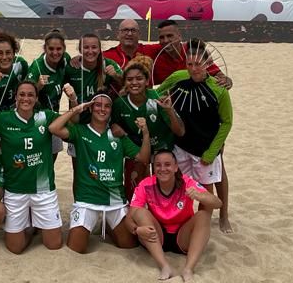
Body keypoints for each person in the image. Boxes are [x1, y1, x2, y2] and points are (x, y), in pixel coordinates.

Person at [0, 84, 62, 254]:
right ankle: (31, 226)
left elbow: (72, 122)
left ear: (36, 98)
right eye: (22, 94)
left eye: (30, 95)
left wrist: (74, 101)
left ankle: (33, 222)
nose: (26, 98)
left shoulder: (45, 116)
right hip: (15, 191)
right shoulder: (3, 119)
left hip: (43, 190)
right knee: (15, 249)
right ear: (15, 97)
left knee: (53, 245)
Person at [49, 95, 150, 253]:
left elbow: (144, 158)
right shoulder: (81, 131)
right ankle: (104, 225)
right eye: (97, 105)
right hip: (87, 200)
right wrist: (78, 108)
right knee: (76, 248)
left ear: (111, 110)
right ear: (90, 107)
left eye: (107, 106)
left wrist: (145, 132)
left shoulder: (117, 135)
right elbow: (54, 128)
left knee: (129, 245)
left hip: (115, 202)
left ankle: (110, 226)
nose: (102, 109)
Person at [155, 38, 233, 234]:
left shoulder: (218, 88)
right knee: (181, 187)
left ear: (207, 64)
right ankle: (183, 221)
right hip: (181, 146)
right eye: (190, 64)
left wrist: (212, 151)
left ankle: (206, 225)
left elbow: (227, 122)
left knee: (205, 191)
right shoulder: (177, 77)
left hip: (205, 150)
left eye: (198, 64)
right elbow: (156, 95)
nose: (193, 68)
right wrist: (168, 115)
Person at [128, 149, 223, 282]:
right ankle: (164, 266)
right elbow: (130, 216)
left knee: (203, 215)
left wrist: (200, 196)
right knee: (140, 212)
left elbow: (218, 203)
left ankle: (188, 268)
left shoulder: (186, 182)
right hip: (156, 235)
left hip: (182, 236)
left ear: (175, 167)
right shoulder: (146, 184)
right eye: (158, 165)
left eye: (167, 164)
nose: (163, 169)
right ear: (153, 167)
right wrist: (136, 230)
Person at [113, 62, 184, 198]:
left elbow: (179, 131)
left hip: (162, 146)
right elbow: (113, 124)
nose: (134, 82)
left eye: (139, 78)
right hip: (138, 148)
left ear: (147, 81)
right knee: (134, 185)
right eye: (129, 79)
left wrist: (169, 111)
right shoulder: (120, 103)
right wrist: (115, 127)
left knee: (165, 186)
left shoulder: (156, 98)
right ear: (125, 83)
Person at [27, 30, 70, 158]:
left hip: (54, 117)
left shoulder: (66, 58)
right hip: (36, 119)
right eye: (51, 48)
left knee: (53, 156)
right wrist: (37, 87)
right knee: (37, 158)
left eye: (59, 49)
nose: (55, 52)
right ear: (45, 48)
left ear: (64, 49)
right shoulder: (37, 67)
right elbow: (24, 95)